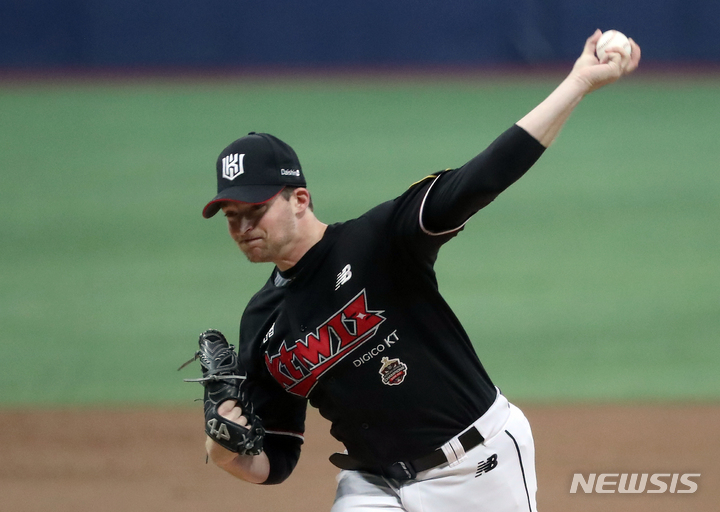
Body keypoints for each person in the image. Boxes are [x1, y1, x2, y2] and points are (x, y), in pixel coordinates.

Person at [199, 30, 641, 511]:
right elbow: (275, 460)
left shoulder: (379, 240)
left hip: (476, 465)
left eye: (255, 209)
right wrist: (223, 446)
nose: (243, 226)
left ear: (299, 199)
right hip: (373, 486)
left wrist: (576, 82)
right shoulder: (261, 322)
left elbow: (485, 176)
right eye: (232, 216)